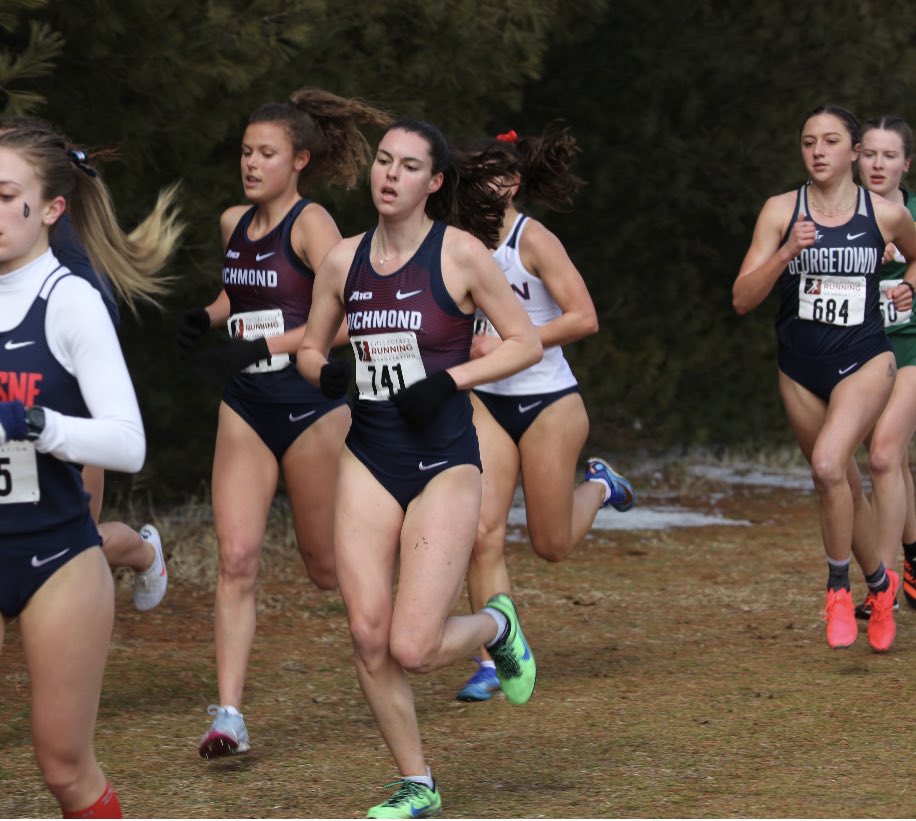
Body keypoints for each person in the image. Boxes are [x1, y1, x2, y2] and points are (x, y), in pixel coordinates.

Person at [296, 118, 543, 818]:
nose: (389, 174)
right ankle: (417, 782)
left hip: (444, 459)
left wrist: (452, 379)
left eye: (408, 166)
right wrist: (327, 373)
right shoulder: (342, 262)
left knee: (414, 645)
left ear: (433, 182)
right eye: (382, 161)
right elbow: (312, 348)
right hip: (370, 456)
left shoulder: (460, 254)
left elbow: (523, 343)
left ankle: (496, 624)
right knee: (367, 632)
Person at [175, 88, 391, 759]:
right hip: (245, 404)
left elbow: (353, 314)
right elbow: (242, 294)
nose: (251, 163)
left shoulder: (312, 223)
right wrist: (207, 317)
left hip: (309, 408)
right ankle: (229, 715)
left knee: (326, 569)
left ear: (298, 159)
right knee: (236, 557)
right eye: (245, 151)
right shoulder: (232, 220)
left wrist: (266, 347)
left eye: (266, 153)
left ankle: (420, 593)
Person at [0, 124, 182, 817]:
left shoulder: (69, 300)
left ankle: (137, 551)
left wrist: (42, 425)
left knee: (62, 764)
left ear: (50, 208)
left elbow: (127, 443)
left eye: (4, 194)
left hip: (55, 556)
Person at [454, 126, 635, 702]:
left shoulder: (534, 241)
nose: (478, 185)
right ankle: (491, 657)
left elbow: (584, 317)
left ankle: (602, 487)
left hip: (548, 401)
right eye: (469, 175)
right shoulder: (455, 243)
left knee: (550, 545)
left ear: (509, 184)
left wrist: (513, 337)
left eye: (488, 175)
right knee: (480, 533)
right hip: (487, 403)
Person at [732, 104, 916, 653]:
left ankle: (839, 589)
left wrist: (910, 286)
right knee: (837, 485)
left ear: (852, 152)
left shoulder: (883, 215)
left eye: (830, 140)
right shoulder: (779, 211)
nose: (818, 150)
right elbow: (742, 298)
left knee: (831, 462)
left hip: (865, 360)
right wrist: (787, 251)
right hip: (799, 368)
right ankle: (881, 586)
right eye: (809, 141)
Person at [854, 116, 916, 616]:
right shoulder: (842, 216)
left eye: (888, 155)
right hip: (864, 349)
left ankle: (884, 587)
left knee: (882, 456)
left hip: (913, 346)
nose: (878, 164)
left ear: (905, 164)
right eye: (870, 153)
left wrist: (910, 284)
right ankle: (913, 558)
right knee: (893, 464)